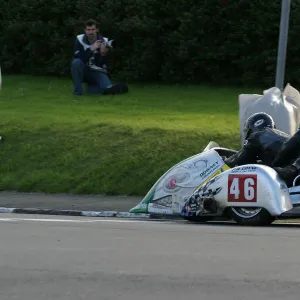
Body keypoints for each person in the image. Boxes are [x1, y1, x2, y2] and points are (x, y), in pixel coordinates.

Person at [225, 112, 300, 187]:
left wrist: (225, 162)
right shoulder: (284, 137)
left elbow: (241, 161)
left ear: (251, 130)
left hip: (290, 174)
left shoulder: (256, 136)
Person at [70, 19, 128, 96]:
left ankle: (91, 87)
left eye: (93, 29)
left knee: (107, 90)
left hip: (96, 71)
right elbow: (79, 58)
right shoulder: (79, 39)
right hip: (83, 70)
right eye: (88, 30)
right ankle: (78, 92)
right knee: (76, 62)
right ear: (85, 30)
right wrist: (91, 49)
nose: (91, 32)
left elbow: (104, 64)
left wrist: (103, 55)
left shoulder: (104, 41)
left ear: (97, 29)